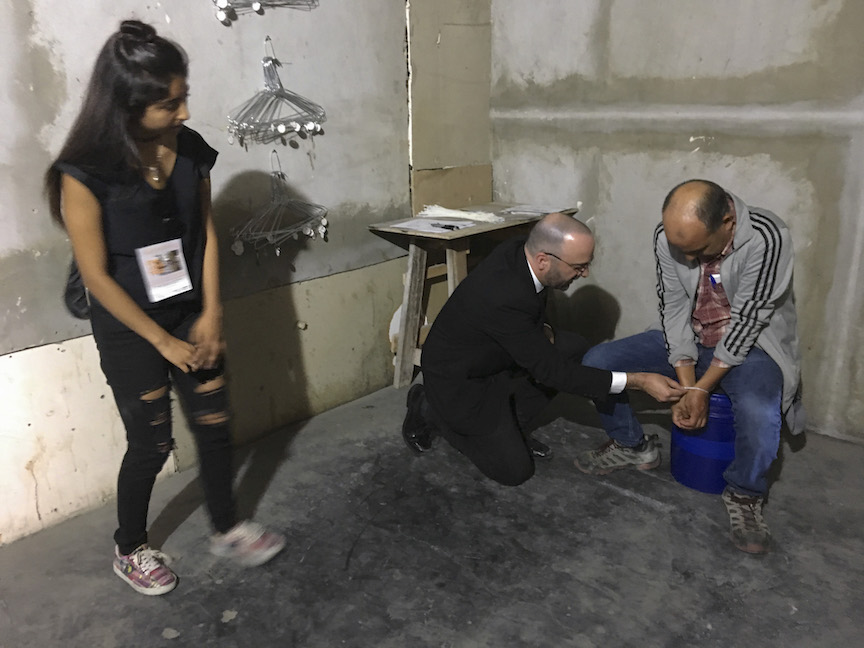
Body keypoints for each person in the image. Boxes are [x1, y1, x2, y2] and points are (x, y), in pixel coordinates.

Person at [44, 20, 285, 596]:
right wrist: (162, 342)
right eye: (167, 103)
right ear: (126, 107)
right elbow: (98, 278)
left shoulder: (191, 150)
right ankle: (130, 547)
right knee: (151, 445)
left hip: (189, 312)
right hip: (131, 328)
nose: (181, 112)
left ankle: (226, 526)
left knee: (215, 425)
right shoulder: (84, 175)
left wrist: (211, 314)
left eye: (184, 97)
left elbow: (202, 230)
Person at [576, 179, 802, 555]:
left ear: (728, 222)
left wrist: (701, 389)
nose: (688, 258)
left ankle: (745, 494)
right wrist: (686, 377)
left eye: (697, 250)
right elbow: (674, 307)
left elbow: (748, 320)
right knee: (598, 363)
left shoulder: (767, 236)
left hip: (753, 343)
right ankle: (632, 445)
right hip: (693, 335)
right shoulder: (670, 236)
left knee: (760, 412)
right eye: (680, 249)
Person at [401, 213, 685, 486]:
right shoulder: (504, 294)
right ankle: (427, 407)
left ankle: (512, 426)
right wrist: (638, 380)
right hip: (459, 380)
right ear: (543, 260)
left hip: (494, 355)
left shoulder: (522, 251)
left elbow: (528, 311)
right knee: (515, 471)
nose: (585, 274)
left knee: (572, 347)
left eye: (587, 264)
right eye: (578, 267)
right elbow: (553, 372)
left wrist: (541, 328)